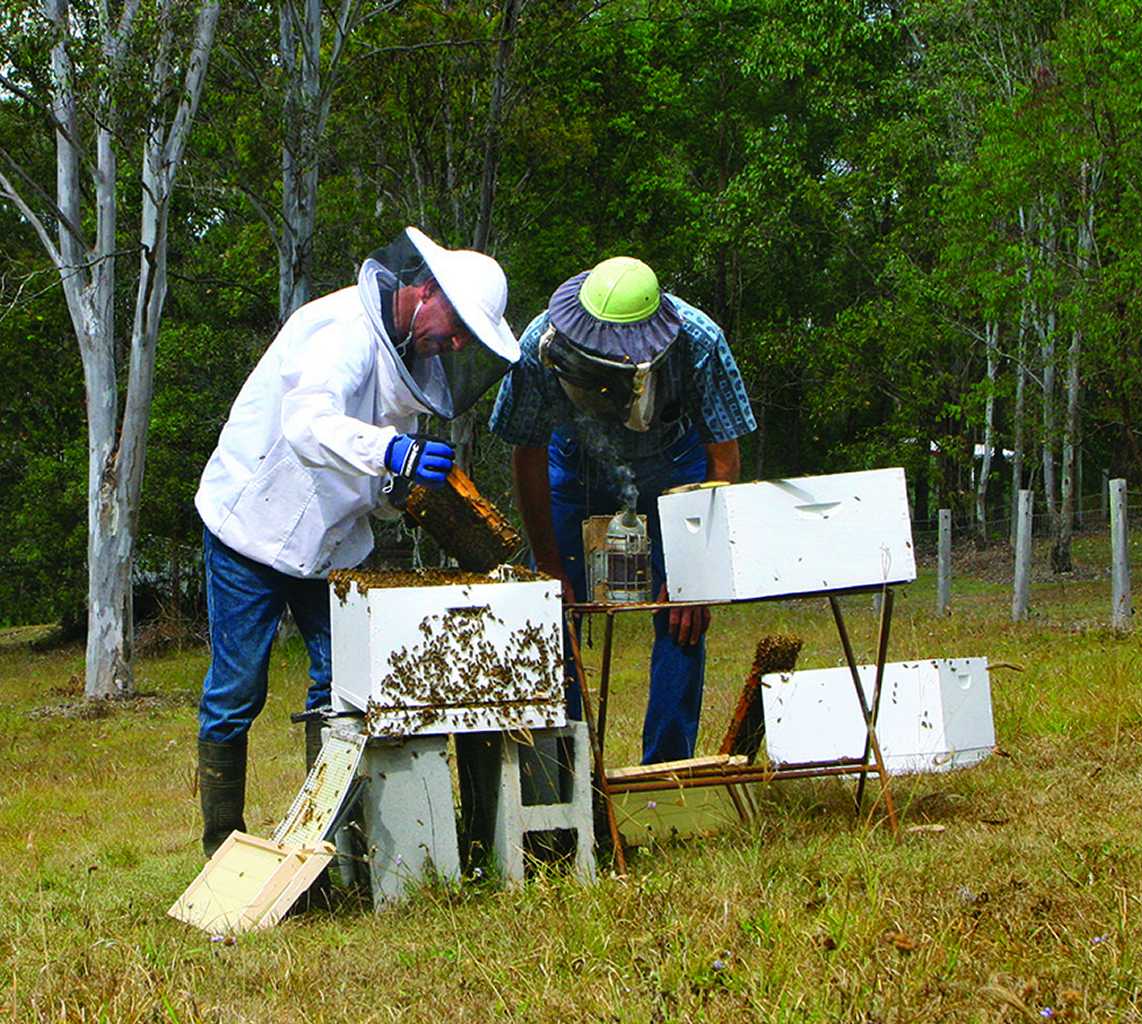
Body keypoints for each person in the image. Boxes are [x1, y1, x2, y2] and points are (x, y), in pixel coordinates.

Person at [193, 227, 518, 857]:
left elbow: (373, 480)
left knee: (340, 690)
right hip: (253, 528)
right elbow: (308, 424)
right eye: (456, 329)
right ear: (427, 290)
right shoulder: (342, 327)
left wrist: (408, 490)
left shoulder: (412, 364)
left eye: (465, 342)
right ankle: (222, 853)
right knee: (236, 692)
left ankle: (329, 851)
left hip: (333, 544)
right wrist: (392, 451)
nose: (454, 345)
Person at [490, 256, 756, 764]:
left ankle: (666, 769)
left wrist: (694, 574)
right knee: (549, 612)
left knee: (683, 615)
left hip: (676, 467)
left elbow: (724, 457)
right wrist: (548, 563)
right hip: (573, 467)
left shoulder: (700, 341)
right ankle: (563, 769)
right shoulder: (536, 345)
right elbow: (526, 452)